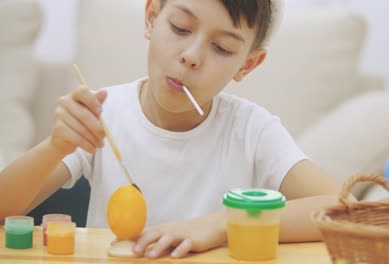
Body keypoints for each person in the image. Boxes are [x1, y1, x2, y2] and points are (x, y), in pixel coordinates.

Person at [0, 0, 342, 259]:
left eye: (222, 48)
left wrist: (221, 224)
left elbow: (345, 211)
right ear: (151, 17)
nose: (192, 57)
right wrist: (55, 147)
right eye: (180, 28)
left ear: (247, 65)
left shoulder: (252, 131)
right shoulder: (106, 114)